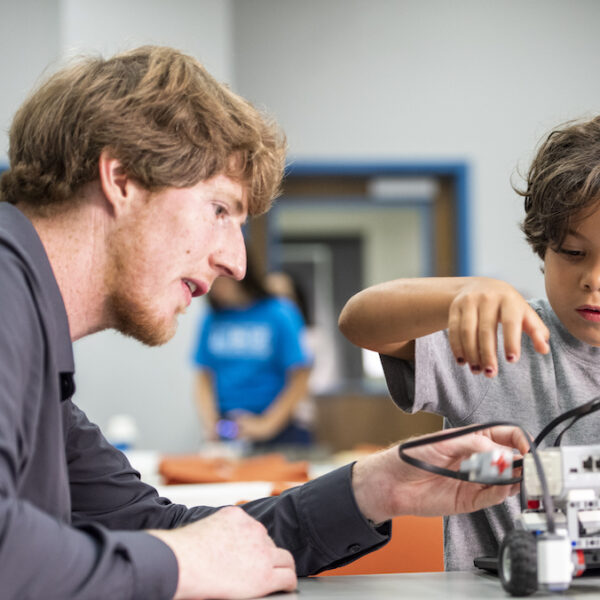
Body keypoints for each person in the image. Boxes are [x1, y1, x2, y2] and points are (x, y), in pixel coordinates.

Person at [0, 44, 529, 600]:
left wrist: (375, 488)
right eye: (221, 209)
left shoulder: (36, 353)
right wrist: (179, 565)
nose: (238, 262)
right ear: (122, 177)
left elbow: (169, 535)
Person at [338, 115, 600, 571]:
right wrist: (461, 292)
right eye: (573, 253)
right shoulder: (502, 342)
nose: (593, 280)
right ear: (543, 249)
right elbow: (359, 321)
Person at [193, 255, 313, 446]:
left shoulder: (279, 313)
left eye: (218, 278)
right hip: (228, 426)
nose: (213, 287)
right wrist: (210, 424)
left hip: (277, 428)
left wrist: (267, 425)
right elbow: (203, 376)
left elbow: (300, 376)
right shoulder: (212, 319)